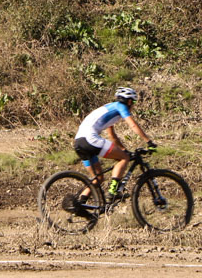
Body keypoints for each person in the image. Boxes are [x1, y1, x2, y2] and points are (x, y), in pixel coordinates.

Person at [67, 87, 156, 218]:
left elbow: (112, 136)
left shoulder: (109, 108)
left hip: (79, 142)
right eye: (134, 103)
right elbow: (133, 125)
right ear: (129, 101)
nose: (133, 106)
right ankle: (113, 191)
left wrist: (124, 149)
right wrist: (149, 142)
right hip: (90, 139)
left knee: (98, 178)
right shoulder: (121, 107)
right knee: (124, 158)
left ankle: (79, 204)